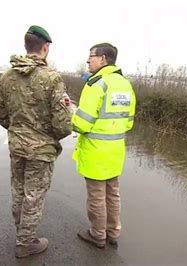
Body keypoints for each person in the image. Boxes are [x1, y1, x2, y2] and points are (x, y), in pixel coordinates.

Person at [0, 25, 72, 258]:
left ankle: (22, 233)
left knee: (18, 191)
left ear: (27, 46)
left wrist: (17, 129)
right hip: (41, 150)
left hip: (17, 146)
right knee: (34, 195)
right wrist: (48, 136)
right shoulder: (51, 78)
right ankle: (26, 243)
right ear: (45, 48)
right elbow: (63, 124)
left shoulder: (7, 76)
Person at [72, 43, 136, 248]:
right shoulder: (126, 84)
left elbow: (81, 123)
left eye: (91, 56)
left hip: (95, 151)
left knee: (97, 196)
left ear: (103, 59)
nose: (88, 60)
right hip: (116, 151)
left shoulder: (96, 84)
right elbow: (129, 122)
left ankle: (97, 234)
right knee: (113, 194)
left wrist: (71, 116)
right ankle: (113, 233)